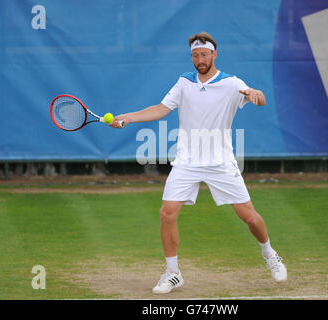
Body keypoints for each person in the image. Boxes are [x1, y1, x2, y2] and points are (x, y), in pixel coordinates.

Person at [110, 32, 287, 294]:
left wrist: (255, 93)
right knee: (167, 213)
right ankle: (172, 273)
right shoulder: (184, 83)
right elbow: (161, 108)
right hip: (187, 161)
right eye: (195, 55)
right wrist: (129, 117)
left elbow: (260, 100)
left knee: (248, 216)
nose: (200, 59)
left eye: (204, 54)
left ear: (214, 55)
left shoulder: (231, 83)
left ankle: (270, 254)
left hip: (221, 162)